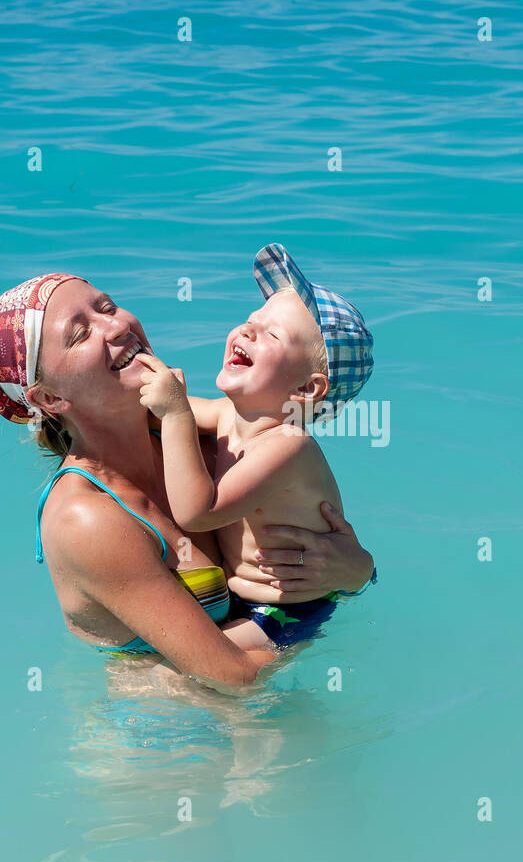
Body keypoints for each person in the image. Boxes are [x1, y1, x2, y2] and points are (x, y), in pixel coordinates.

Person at [0, 274, 376, 689]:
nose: (116, 325)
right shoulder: (88, 519)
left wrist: (356, 570)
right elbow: (234, 677)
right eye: (81, 334)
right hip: (163, 739)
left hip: (251, 707)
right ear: (48, 399)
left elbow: (311, 531)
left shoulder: (202, 442)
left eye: (108, 307)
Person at [138, 243, 375, 652]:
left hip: (287, 609)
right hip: (241, 598)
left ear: (306, 389)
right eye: (251, 320)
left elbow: (198, 512)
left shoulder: (289, 445)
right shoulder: (230, 413)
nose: (247, 330)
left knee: (177, 677)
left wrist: (176, 415)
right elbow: (152, 408)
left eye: (272, 334)